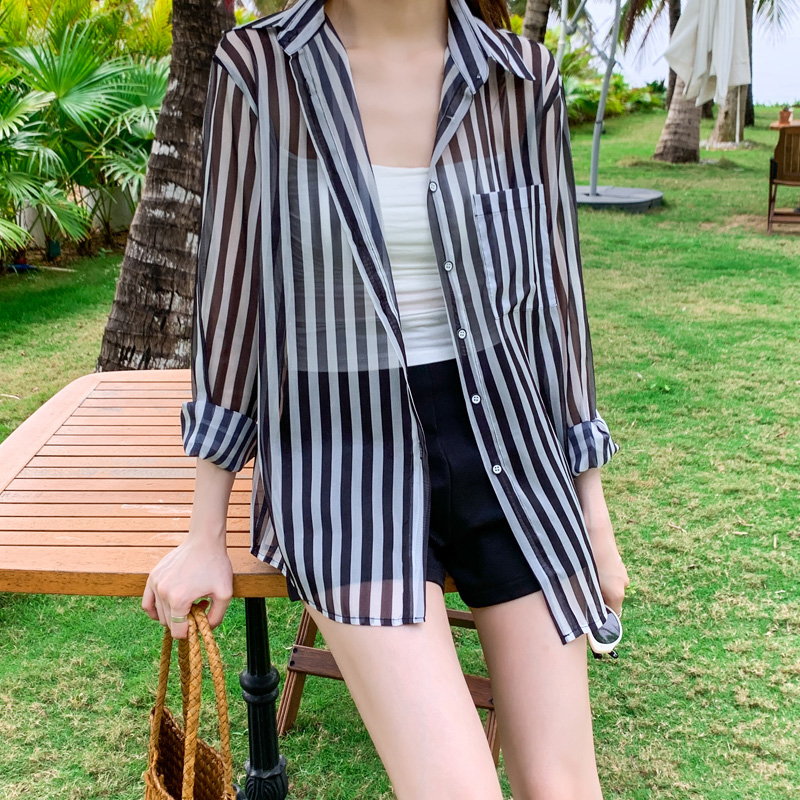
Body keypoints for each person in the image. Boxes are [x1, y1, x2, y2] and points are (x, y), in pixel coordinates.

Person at [142, 0, 630, 797]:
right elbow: (230, 304)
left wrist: (592, 516)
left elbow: (556, 308)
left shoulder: (523, 80)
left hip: (510, 445)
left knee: (565, 787)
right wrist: (205, 532)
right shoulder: (261, 71)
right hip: (343, 458)